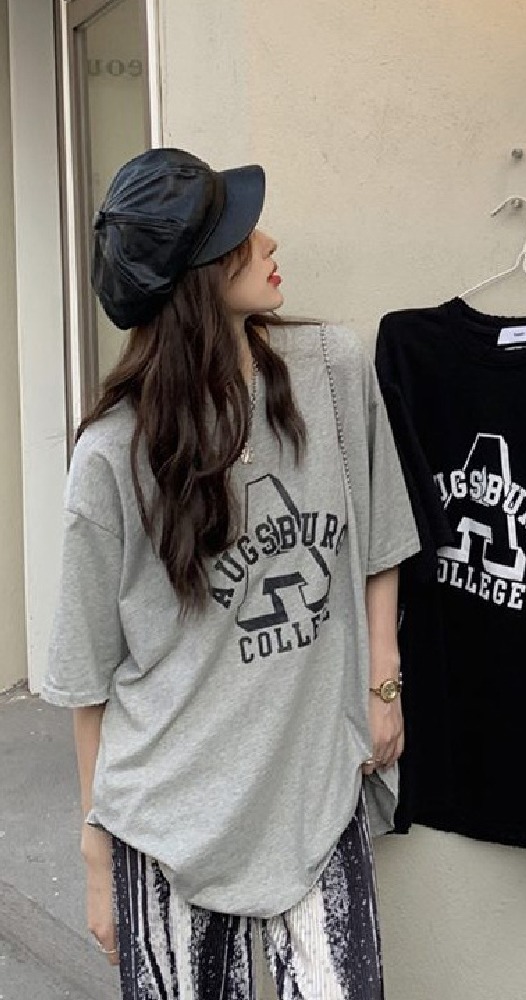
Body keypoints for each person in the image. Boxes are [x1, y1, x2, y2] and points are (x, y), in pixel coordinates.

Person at [41, 147, 420, 999]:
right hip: (167, 824)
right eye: (241, 236)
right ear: (198, 279)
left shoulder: (332, 372)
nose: (270, 240)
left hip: (314, 792)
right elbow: (87, 679)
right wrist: (97, 856)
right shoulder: (112, 456)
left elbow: (382, 538)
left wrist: (383, 682)